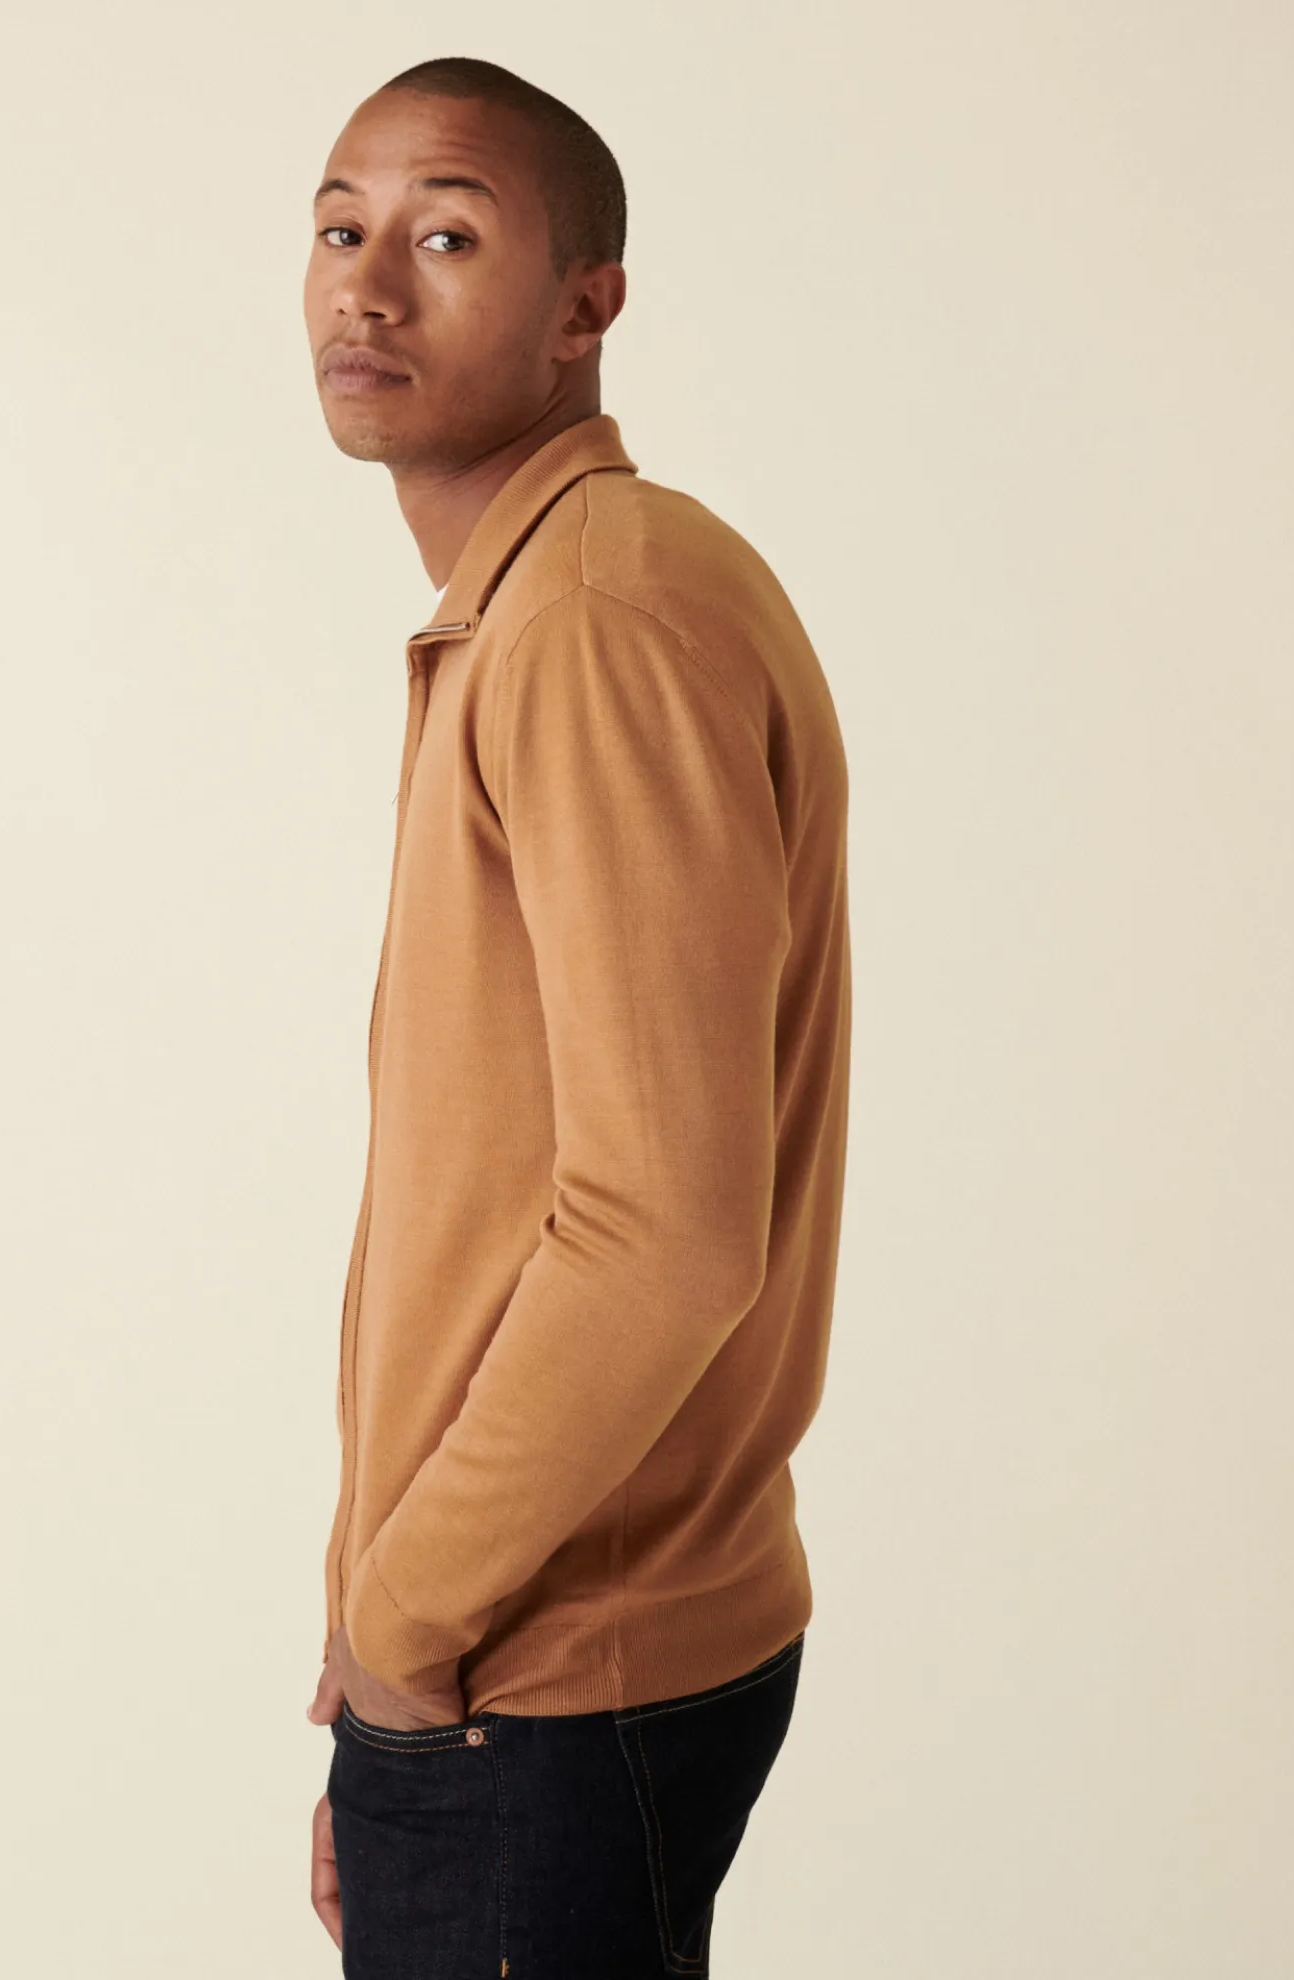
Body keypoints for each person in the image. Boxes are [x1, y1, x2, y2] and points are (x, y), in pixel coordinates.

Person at [299, 55, 852, 1978]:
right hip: (526, 1657)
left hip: (540, 1671)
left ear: (584, 306)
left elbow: (664, 1227)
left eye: (448, 236)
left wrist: (406, 1625)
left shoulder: (593, 622)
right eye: (340, 227)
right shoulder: (558, 594)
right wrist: (382, 1632)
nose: (370, 285)